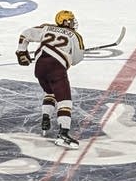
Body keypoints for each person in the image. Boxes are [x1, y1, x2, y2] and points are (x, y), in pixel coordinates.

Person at [15, 10, 85, 149]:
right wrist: (68, 56)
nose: (73, 22)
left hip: (39, 67)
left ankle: (46, 119)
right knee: (65, 101)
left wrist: (21, 52)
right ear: (65, 22)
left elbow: (25, 34)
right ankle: (63, 135)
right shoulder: (75, 35)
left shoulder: (46, 27)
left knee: (50, 93)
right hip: (56, 68)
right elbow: (77, 59)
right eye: (71, 20)